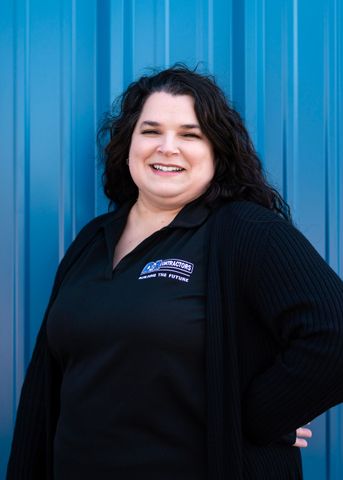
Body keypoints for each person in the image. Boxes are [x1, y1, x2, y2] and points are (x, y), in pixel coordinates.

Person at [6, 65, 343, 480]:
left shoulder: (245, 232)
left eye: (190, 134)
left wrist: (251, 418)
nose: (168, 147)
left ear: (217, 151)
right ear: (128, 144)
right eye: (151, 131)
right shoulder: (92, 240)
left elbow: (335, 334)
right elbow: (49, 386)